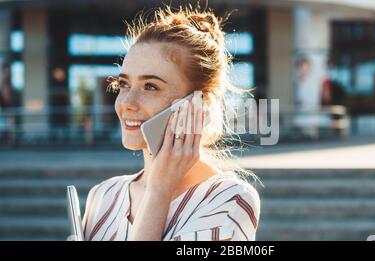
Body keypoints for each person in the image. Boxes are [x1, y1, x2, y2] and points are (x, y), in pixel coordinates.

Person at [81, 6, 260, 241]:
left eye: (151, 86)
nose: (127, 103)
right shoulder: (102, 196)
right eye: (123, 84)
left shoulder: (229, 199)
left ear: (199, 102)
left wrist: (159, 191)